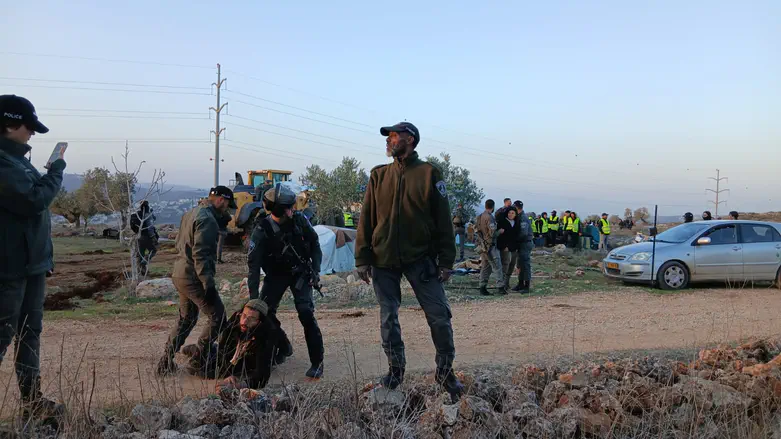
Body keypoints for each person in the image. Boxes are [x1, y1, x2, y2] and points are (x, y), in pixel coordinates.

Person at [355, 121, 463, 398]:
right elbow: (366, 219)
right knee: (388, 318)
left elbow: (443, 222)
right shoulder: (378, 175)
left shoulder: (429, 173)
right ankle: (395, 370)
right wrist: (362, 258)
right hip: (383, 258)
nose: (389, 140)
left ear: (410, 139)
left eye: (394, 136)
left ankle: (445, 373)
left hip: (420, 259)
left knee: (439, 317)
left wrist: (446, 261)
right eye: (388, 137)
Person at [0, 95, 66, 422]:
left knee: (30, 332)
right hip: (7, 270)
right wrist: (56, 171)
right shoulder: (2, 163)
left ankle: (33, 401)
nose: (33, 134)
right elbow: (33, 201)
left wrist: (43, 259)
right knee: (2, 336)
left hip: (31, 268)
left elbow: (33, 221)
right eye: (29, 127)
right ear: (10, 124)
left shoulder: (18, 161)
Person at [247, 183, 325, 379]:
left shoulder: (299, 220)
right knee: (263, 315)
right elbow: (254, 267)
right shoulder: (261, 230)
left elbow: (315, 243)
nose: (294, 209)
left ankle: (317, 362)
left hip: (300, 272)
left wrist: (315, 270)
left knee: (306, 313)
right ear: (280, 210)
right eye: (290, 207)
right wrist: (254, 300)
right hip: (275, 276)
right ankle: (282, 347)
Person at [157, 186, 236, 375]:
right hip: (193, 276)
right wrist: (207, 283)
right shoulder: (207, 220)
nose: (227, 209)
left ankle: (166, 361)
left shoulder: (190, 213)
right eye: (227, 205)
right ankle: (200, 359)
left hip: (179, 272)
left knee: (187, 319)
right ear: (221, 200)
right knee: (218, 316)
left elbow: (179, 243)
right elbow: (201, 254)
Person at [183, 299, 282, 392]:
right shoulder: (236, 318)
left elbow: (262, 377)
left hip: (266, 353)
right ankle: (198, 350)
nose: (244, 322)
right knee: (206, 369)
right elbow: (223, 348)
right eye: (244, 316)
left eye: (252, 319)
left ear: (259, 322)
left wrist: (238, 385)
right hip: (240, 347)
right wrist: (229, 373)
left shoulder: (268, 335)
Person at [476, 199, 503, 296]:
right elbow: (492, 233)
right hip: (490, 246)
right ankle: (500, 287)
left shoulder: (480, 216)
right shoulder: (490, 217)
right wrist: (500, 231)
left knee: (485, 267)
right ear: (493, 206)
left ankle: (482, 287)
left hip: (483, 246)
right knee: (497, 266)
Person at [131, 200, 160, 276]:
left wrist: (137, 232)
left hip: (138, 237)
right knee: (153, 250)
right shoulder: (147, 214)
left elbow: (132, 226)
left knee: (140, 254)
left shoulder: (135, 215)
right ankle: (144, 262)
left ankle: (140, 272)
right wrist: (153, 237)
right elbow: (150, 226)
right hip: (147, 237)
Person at [511, 201, 534, 294]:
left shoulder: (523, 218)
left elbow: (523, 233)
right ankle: (520, 284)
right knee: (520, 264)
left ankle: (526, 285)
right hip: (521, 244)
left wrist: (515, 239)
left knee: (525, 265)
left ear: (516, 207)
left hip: (525, 243)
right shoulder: (519, 217)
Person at [497, 207, 520, 293]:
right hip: (505, 247)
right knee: (505, 265)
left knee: (512, 264)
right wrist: (504, 246)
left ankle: (507, 282)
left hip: (513, 247)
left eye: (513, 213)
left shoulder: (516, 223)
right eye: (509, 213)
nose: (510, 214)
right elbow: (501, 236)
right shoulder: (503, 222)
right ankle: (502, 285)